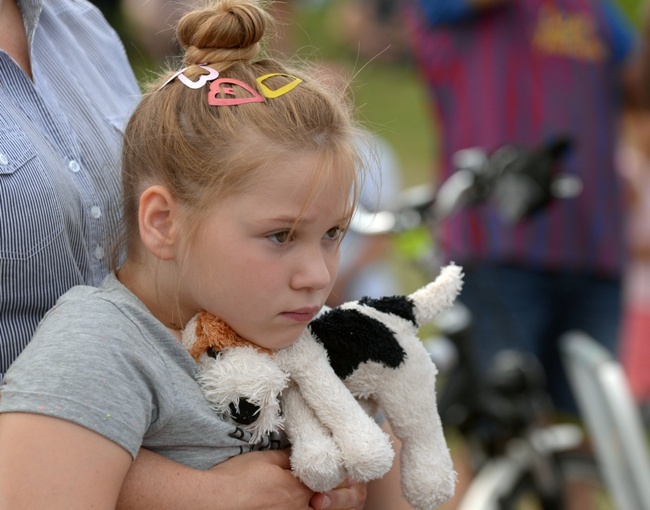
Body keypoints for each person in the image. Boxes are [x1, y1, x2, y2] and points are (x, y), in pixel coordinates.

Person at [0, 1, 416, 508]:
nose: (318, 275)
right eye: (281, 236)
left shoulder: (301, 336)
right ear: (163, 223)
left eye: (333, 233)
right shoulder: (98, 355)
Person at [406, 0, 637, 416]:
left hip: (594, 247)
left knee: (587, 433)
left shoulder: (596, 9)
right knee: (496, 430)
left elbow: (637, 81)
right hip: (496, 249)